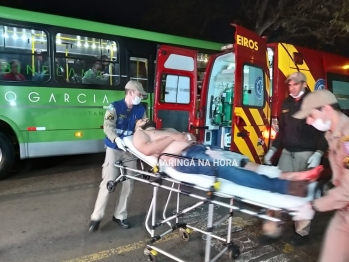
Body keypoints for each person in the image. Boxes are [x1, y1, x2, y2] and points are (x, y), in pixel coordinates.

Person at [131, 119, 324, 197]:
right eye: (141, 119)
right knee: (226, 169)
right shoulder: (140, 133)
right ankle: (287, 187)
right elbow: (147, 150)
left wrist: (187, 136)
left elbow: (184, 136)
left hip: (200, 149)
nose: (144, 118)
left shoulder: (164, 129)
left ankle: (289, 176)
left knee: (240, 160)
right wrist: (174, 137)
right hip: (186, 158)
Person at [263, 72, 329, 245]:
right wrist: (273, 149)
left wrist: (318, 153)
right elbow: (282, 131)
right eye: (290, 85)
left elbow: (324, 132)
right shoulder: (287, 103)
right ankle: (272, 228)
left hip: (306, 155)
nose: (292, 88)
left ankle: (301, 232)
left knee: (301, 193)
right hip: (287, 153)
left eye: (295, 85)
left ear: (304, 85)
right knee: (277, 189)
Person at [290, 89, 349, 262]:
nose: (308, 122)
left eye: (311, 115)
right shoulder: (332, 135)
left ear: (327, 109)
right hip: (343, 213)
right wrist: (328, 185)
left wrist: (314, 205)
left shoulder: (346, 137)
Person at [89, 80, 147, 231]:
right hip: (114, 149)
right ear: (130, 92)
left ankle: (120, 215)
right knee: (108, 182)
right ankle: (96, 217)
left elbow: (143, 129)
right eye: (139, 94)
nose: (140, 97)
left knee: (129, 182)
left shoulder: (140, 109)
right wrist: (116, 139)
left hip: (130, 151)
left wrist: (141, 128)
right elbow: (108, 127)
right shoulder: (114, 107)